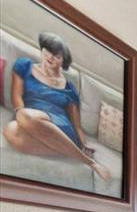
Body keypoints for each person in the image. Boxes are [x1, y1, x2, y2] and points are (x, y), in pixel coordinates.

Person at [2, 32, 111, 181]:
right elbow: (17, 95)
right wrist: (21, 116)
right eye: (47, 50)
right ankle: (70, 151)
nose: (50, 57)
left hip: (59, 125)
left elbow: (76, 124)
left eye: (57, 56)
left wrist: (83, 143)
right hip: (29, 119)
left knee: (25, 116)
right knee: (12, 129)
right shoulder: (24, 65)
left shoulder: (70, 88)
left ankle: (89, 161)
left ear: (63, 61)